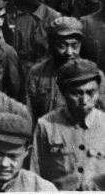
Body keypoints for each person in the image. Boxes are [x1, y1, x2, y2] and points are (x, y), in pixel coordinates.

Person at [32, 58, 105, 190]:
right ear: (64, 93)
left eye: (90, 92)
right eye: (77, 93)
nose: (84, 100)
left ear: (98, 91)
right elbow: (35, 175)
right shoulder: (46, 125)